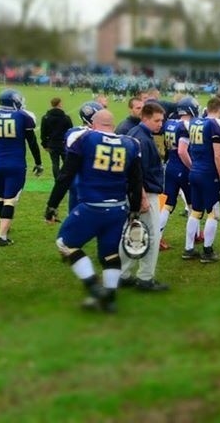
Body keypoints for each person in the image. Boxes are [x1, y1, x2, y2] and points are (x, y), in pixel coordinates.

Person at [44, 109, 143, 313]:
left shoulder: (85, 138)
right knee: (109, 254)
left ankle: (94, 287)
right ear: (112, 125)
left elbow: (66, 175)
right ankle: (110, 300)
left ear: (92, 124)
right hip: (118, 209)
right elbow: (135, 181)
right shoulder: (131, 144)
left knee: (65, 243)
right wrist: (133, 210)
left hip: (92, 207)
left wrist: (52, 205)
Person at [0, 89, 44, 246]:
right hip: (15, 164)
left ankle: (3, 225)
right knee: (10, 200)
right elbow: (32, 143)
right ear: (15, 101)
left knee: (0, 196)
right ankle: (2, 237)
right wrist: (38, 162)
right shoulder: (23, 117)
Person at [121, 102, 169, 291]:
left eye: (162, 120)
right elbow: (136, 173)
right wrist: (141, 198)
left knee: (131, 234)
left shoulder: (135, 133)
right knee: (150, 236)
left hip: (136, 193)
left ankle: (121, 274)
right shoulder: (142, 138)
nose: (160, 124)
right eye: (157, 120)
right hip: (145, 194)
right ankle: (145, 278)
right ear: (145, 118)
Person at [186, 97, 220, 262]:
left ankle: (188, 249)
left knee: (196, 211)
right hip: (208, 173)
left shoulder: (195, 122)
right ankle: (207, 251)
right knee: (213, 212)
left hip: (195, 170)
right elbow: (218, 154)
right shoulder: (215, 125)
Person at [160, 97, 198, 256]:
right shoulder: (186, 126)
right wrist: (192, 167)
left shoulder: (169, 122)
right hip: (182, 167)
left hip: (170, 166)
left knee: (167, 203)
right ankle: (191, 242)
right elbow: (182, 151)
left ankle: (156, 236)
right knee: (192, 206)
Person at [40, 97, 73, 180]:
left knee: (55, 163)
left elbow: (43, 133)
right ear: (59, 104)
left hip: (52, 144)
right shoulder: (66, 118)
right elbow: (70, 132)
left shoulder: (46, 117)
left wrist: (44, 145)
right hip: (63, 144)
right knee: (66, 163)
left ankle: (57, 180)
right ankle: (65, 179)